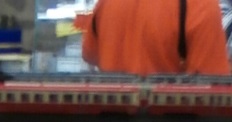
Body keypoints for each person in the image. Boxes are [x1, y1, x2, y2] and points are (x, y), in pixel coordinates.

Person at [80, 0, 231, 75]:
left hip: (110, 121)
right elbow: (213, 86)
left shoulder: (104, 3)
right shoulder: (200, 5)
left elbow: (90, 55)